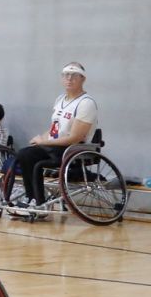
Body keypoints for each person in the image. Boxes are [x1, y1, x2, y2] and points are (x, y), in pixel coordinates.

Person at [11, 62, 98, 207]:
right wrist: (41, 138)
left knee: (35, 161)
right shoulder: (60, 100)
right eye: (66, 75)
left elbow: (75, 138)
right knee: (24, 153)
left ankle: (39, 201)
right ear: (62, 78)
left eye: (74, 75)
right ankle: (32, 198)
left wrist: (43, 142)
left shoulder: (86, 103)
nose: (69, 79)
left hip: (72, 150)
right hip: (55, 147)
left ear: (82, 79)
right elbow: (54, 130)